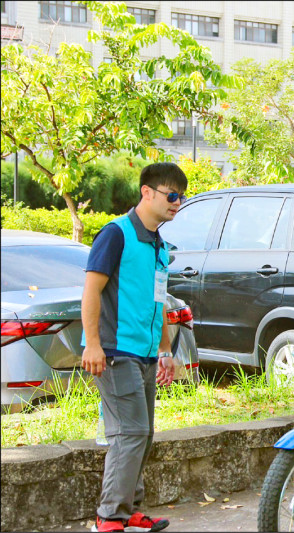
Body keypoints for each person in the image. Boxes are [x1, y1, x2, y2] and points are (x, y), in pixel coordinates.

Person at [81, 162, 188, 533]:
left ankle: (129, 510)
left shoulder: (158, 246)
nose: (177, 203)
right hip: (114, 351)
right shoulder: (117, 234)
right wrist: (92, 345)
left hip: (144, 353)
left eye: (181, 197)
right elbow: (91, 290)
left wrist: (165, 352)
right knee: (130, 433)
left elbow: (157, 303)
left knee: (143, 433)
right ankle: (109, 517)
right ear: (147, 193)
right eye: (171, 195)